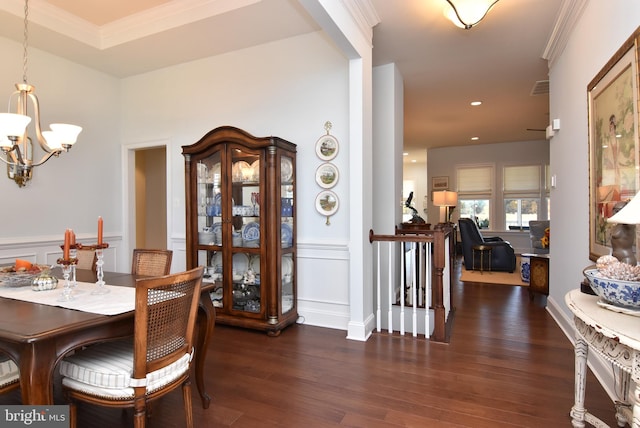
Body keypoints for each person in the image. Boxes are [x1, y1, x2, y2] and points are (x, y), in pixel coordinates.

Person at [610, 200, 637, 266]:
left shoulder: (629, 225)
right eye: (614, 209)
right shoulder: (617, 225)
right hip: (615, 259)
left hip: (626, 259)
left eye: (618, 210)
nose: (615, 212)